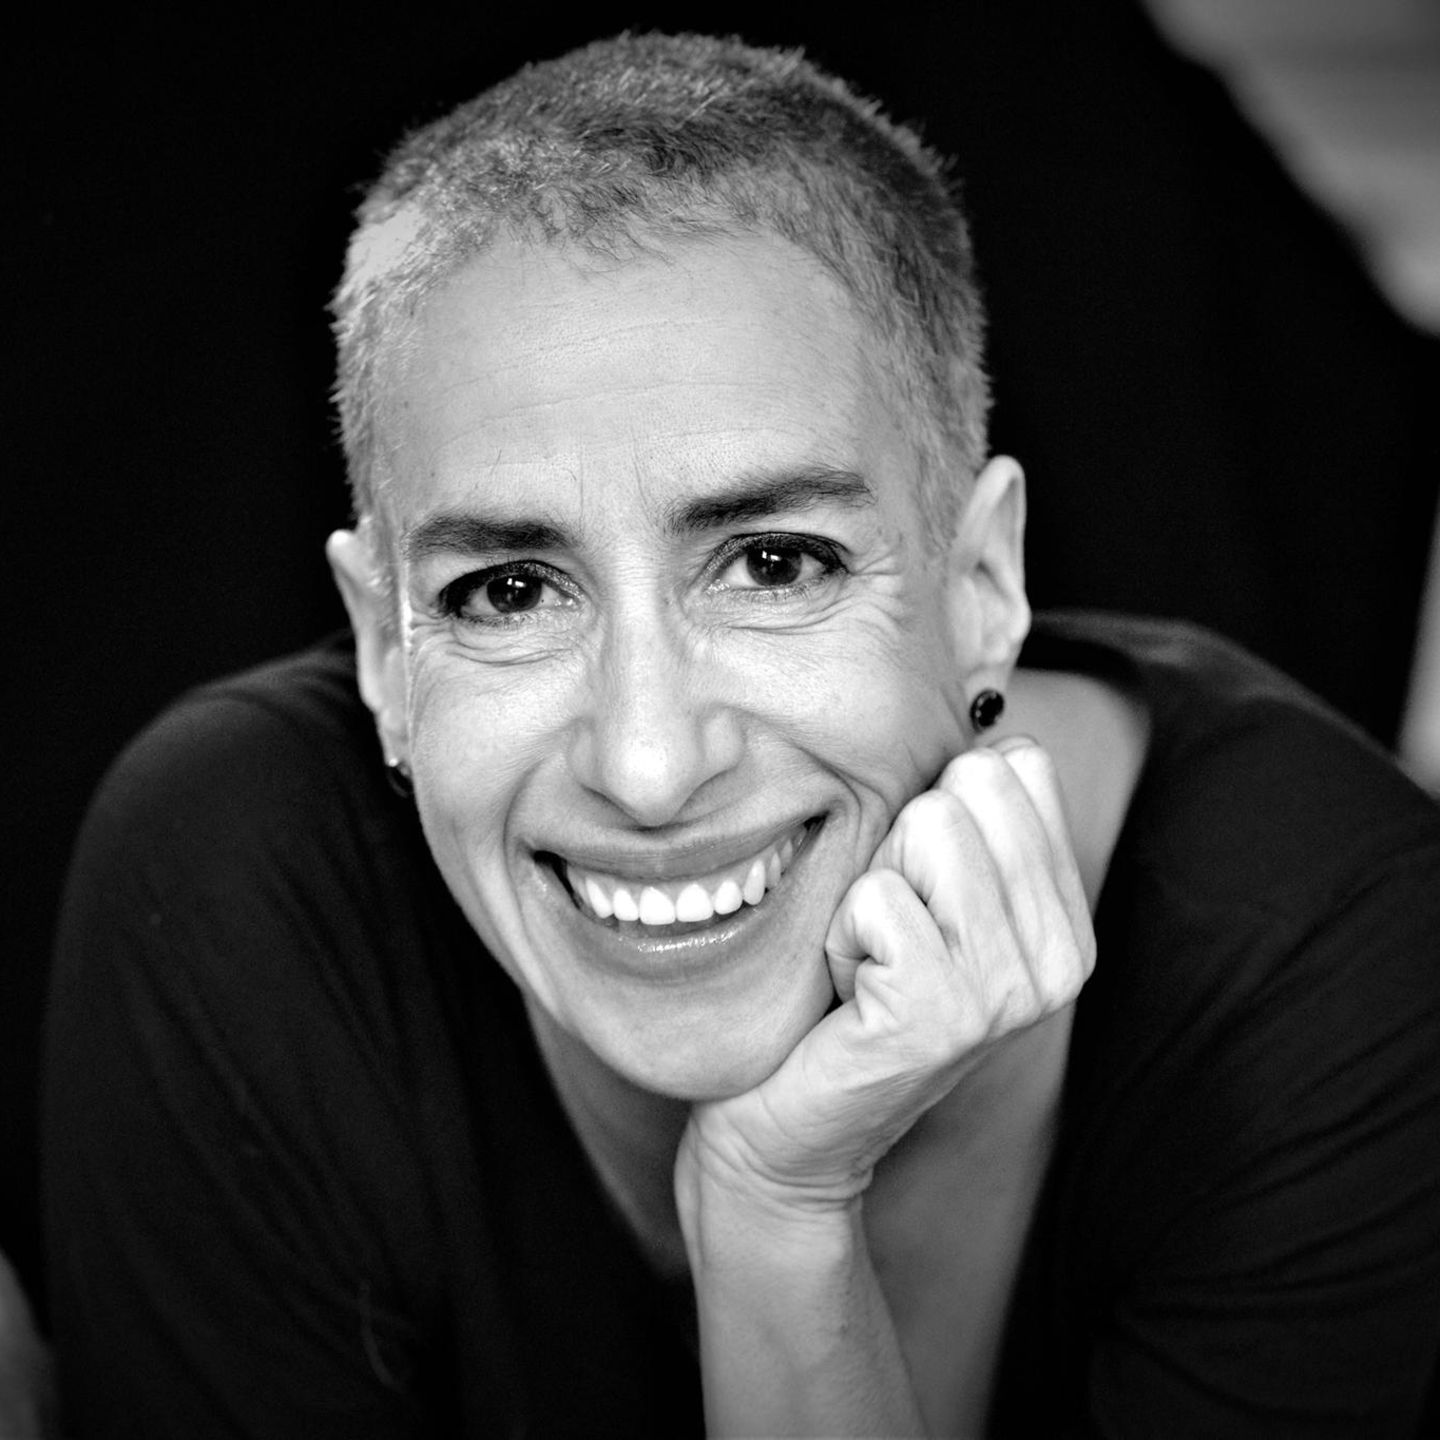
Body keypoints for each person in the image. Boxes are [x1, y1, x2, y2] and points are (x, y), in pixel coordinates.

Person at [42, 31, 1440, 1439]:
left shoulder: (1342, 966)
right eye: (509, 591)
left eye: (775, 565)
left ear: (981, 588)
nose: (649, 768)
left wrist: (775, 1207)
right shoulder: (231, 893)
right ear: (386, 652)